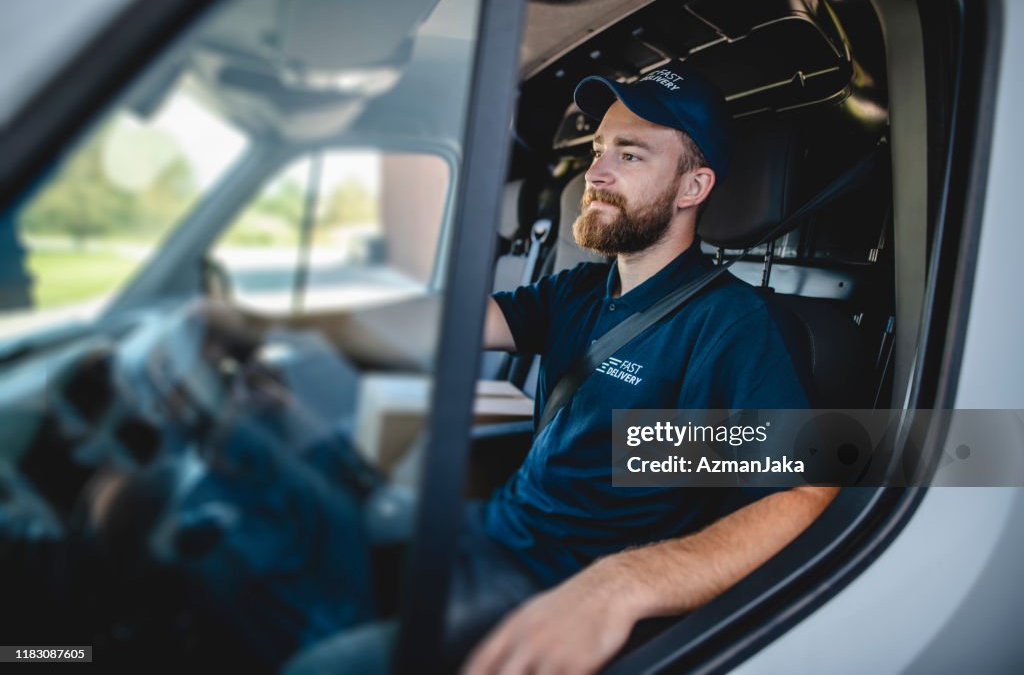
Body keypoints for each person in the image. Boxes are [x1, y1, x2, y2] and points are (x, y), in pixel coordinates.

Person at [285, 61, 837, 674]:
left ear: (692, 188)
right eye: (599, 149)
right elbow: (459, 322)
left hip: (557, 583)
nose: (594, 173)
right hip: (496, 530)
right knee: (278, 548)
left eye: (629, 156)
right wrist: (309, 324)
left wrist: (623, 584)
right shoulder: (580, 290)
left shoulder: (736, 324)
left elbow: (808, 491)